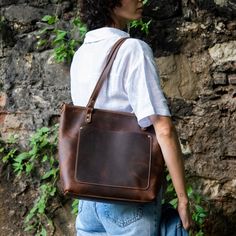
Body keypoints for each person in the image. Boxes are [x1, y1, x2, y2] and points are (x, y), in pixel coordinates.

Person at [70, 0, 192, 235]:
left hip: (88, 197)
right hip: (129, 196)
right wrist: (183, 199)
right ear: (109, 3)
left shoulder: (81, 53)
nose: (140, 0)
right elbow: (163, 128)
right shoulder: (133, 49)